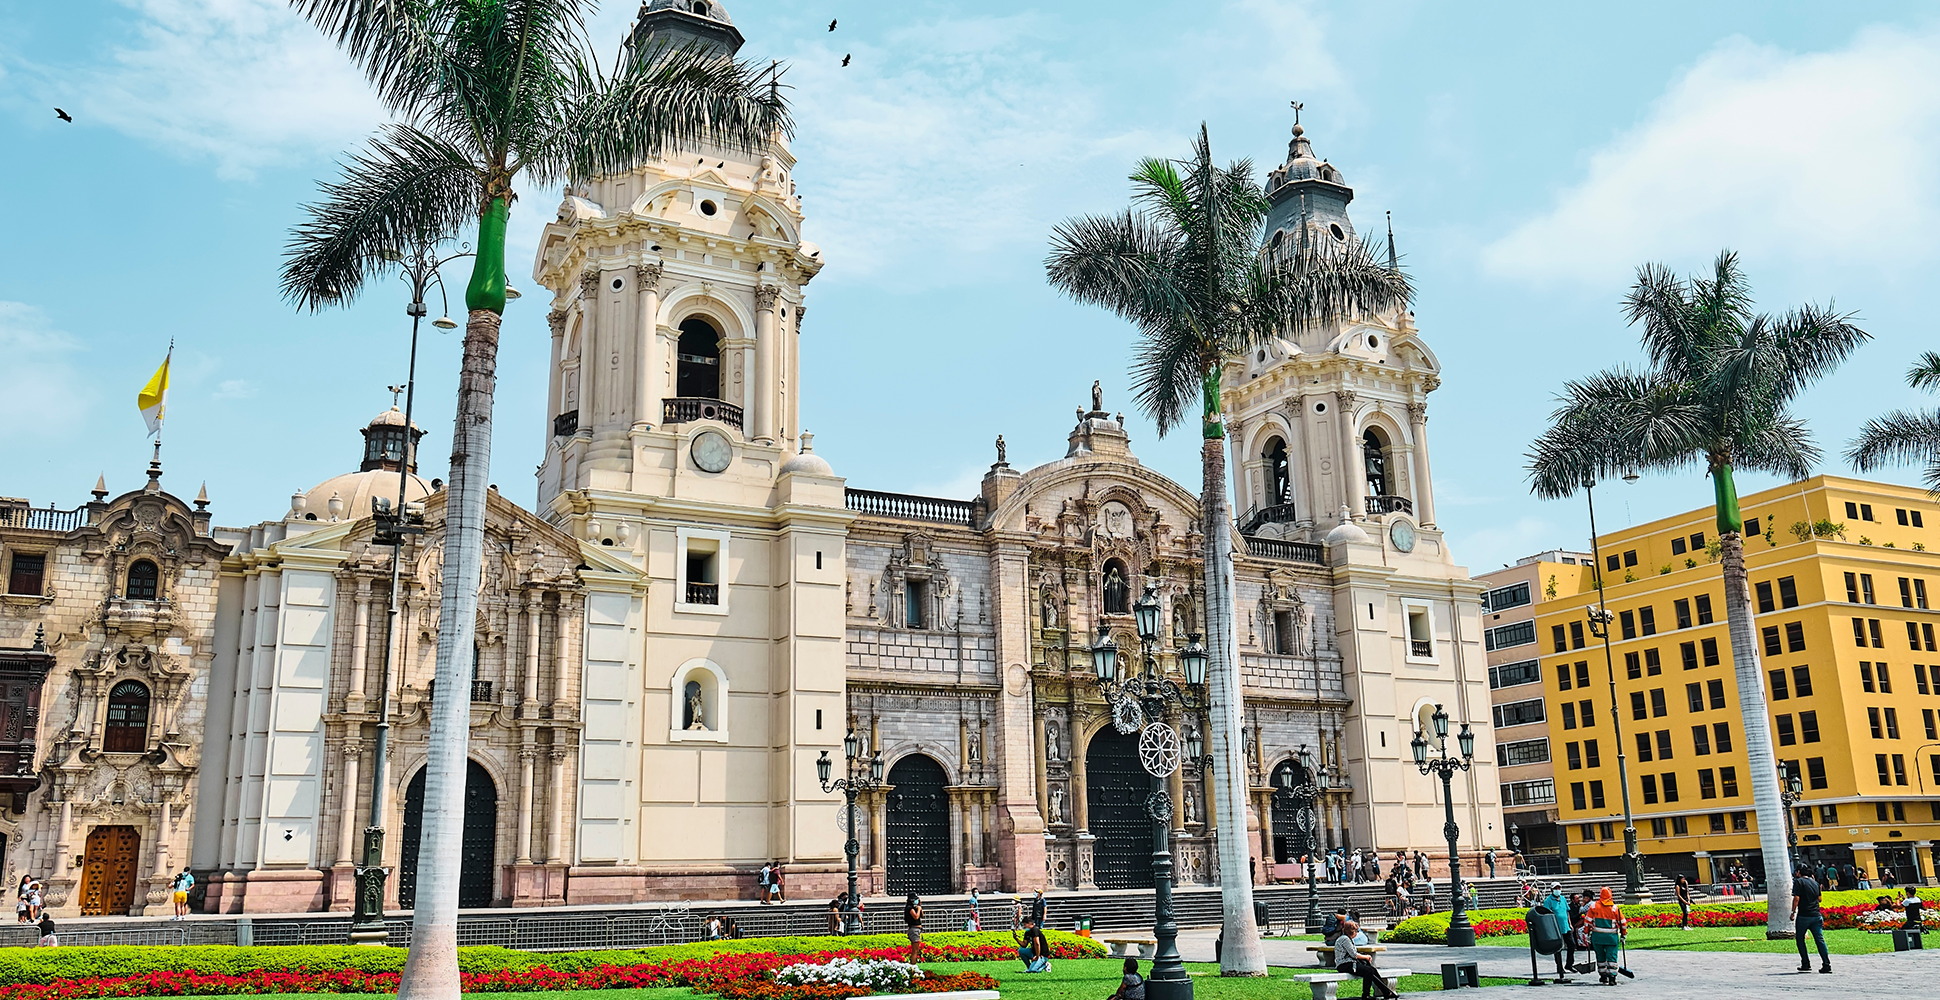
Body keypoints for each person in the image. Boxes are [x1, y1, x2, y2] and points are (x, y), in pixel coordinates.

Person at [1333, 919, 1399, 999]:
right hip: (1344, 965)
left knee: (1372, 970)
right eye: (1356, 932)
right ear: (1352, 932)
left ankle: (1386, 992)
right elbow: (1354, 954)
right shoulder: (1345, 939)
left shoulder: (1346, 938)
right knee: (1368, 971)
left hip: (1350, 963)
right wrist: (1366, 957)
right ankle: (1366, 995)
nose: (1357, 934)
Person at [1791, 866, 1830, 974]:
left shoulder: (1798, 882)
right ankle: (1826, 964)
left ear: (1799, 872)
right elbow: (1820, 899)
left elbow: (1796, 898)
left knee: (1800, 939)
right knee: (1819, 940)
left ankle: (1806, 963)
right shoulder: (1815, 883)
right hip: (1816, 915)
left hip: (1804, 915)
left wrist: (1793, 912)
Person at [1586, 887, 1627, 986]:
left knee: (1600, 956)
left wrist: (1587, 934)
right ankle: (1612, 978)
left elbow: (1587, 922)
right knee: (1612, 957)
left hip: (1597, 937)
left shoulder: (1594, 906)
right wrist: (1623, 935)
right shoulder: (1614, 908)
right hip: (1611, 938)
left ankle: (1603, 977)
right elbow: (1623, 923)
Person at [904, 894, 925, 962]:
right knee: (915, 951)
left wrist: (919, 906)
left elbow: (922, 916)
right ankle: (913, 966)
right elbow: (916, 917)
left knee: (916, 950)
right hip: (914, 929)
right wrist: (918, 909)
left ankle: (913, 965)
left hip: (917, 929)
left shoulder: (914, 908)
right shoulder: (909, 908)